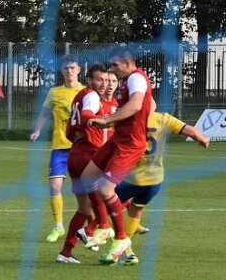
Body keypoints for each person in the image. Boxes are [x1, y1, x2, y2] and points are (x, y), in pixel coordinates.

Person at [80, 46, 153, 264]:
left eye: (114, 65)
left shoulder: (136, 79)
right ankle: (103, 226)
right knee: (86, 178)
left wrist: (107, 120)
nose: (111, 70)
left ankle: (121, 238)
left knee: (105, 188)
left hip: (130, 144)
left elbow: (137, 104)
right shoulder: (129, 82)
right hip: (118, 140)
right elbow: (146, 105)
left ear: (128, 63)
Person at [113, 111, 211, 266]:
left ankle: (116, 243)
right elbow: (189, 129)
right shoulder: (163, 119)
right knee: (136, 209)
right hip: (154, 179)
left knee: (103, 206)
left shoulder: (127, 117)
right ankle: (127, 251)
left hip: (130, 177)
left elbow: (106, 124)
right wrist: (202, 138)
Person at [56, 64, 113, 263]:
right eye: (99, 79)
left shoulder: (78, 97)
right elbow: (88, 115)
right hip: (89, 153)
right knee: (118, 194)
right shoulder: (92, 96)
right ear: (88, 80)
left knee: (84, 208)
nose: (103, 83)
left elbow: (71, 128)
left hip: (76, 154)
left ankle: (65, 253)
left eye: (106, 80)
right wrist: (106, 121)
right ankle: (100, 230)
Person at [29, 54, 83, 242]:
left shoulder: (86, 92)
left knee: (85, 191)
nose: (69, 71)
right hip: (60, 146)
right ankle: (58, 225)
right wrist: (37, 131)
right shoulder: (54, 92)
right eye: (66, 68)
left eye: (72, 68)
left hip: (81, 146)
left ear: (79, 70)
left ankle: (92, 228)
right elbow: (44, 113)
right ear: (62, 71)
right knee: (54, 187)